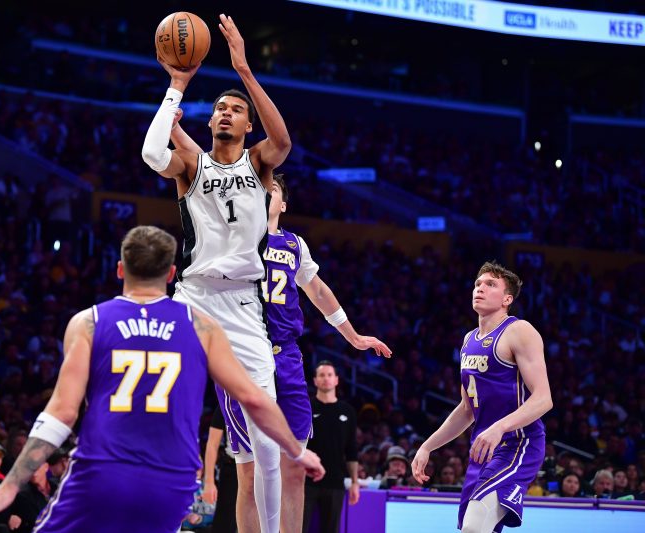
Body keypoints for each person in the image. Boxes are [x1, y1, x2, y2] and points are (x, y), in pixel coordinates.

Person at [0, 226, 324, 533]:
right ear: (172, 274)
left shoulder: (89, 322)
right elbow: (255, 399)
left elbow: (61, 414)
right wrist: (296, 451)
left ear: (119, 269)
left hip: (104, 471)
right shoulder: (202, 327)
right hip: (172, 481)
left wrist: (10, 486)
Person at [169, 152, 392, 533]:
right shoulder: (234, 239)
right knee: (250, 468)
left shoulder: (294, 245)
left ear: (282, 204)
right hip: (243, 353)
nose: (263, 192)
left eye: (270, 189)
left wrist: (353, 335)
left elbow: (317, 290)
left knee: (294, 465)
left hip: (286, 357)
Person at [142, 13, 294, 533]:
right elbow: (151, 152)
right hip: (192, 299)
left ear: (248, 125)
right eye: (221, 109)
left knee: (267, 438)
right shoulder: (192, 164)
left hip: (245, 306)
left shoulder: (259, 163)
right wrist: (176, 85)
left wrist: (245, 70)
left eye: (236, 110)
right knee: (152, 404)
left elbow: (283, 142)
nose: (227, 113)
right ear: (209, 122)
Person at [411, 262, 553, 533]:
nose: (480, 288)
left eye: (490, 284)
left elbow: (544, 399)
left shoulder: (519, 330)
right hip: (483, 450)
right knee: (476, 528)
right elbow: (467, 409)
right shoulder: (468, 340)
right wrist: (427, 446)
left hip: (519, 444)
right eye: (478, 284)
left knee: (474, 527)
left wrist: (499, 428)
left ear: (507, 299)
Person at [302, 362, 359, 533]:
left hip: (335, 481)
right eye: (321, 375)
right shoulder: (306, 408)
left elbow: (351, 450)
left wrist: (355, 482)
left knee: (331, 529)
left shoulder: (347, 411)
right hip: (305, 481)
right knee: (297, 527)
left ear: (336, 380)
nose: (326, 378)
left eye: (329, 375)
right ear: (315, 381)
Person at [201, 406, 238, 532]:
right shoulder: (227, 402)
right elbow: (212, 444)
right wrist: (209, 482)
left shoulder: (275, 399)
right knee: (223, 525)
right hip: (232, 469)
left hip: (265, 470)